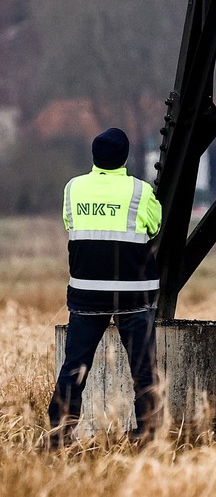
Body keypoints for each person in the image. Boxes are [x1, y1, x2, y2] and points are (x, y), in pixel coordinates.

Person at [49, 127, 163, 447]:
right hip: (133, 293)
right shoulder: (139, 191)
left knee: (75, 366)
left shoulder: (73, 189)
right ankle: (147, 434)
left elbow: (70, 224)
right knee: (143, 369)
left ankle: (59, 434)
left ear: (94, 156)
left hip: (86, 292)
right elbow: (154, 226)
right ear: (125, 158)